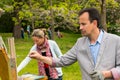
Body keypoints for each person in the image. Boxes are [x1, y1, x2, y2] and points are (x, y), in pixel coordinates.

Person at [29, 8, 120, 80]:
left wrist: (107, 74)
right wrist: (40, 57)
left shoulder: (115, 41)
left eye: (83, 24)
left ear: (94, 23)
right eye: (79, 24)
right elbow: (62, 61)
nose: (80, 28)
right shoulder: (80, 43)